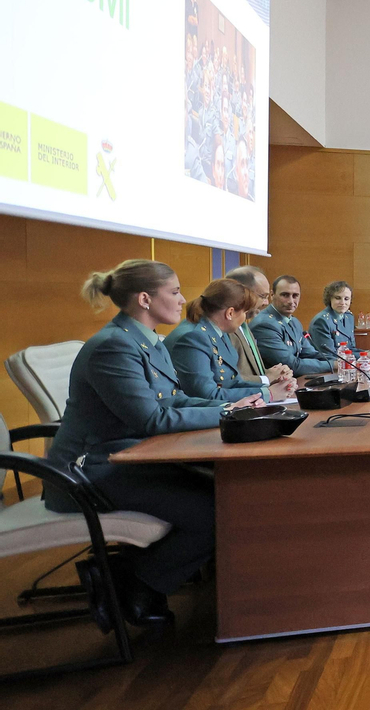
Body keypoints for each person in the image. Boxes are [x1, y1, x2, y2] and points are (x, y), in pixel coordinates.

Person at [44, 261, 259, 631]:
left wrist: (230, 407)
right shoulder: (113, 347)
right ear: (145, 298)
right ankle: (131, 583)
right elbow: (152, 420)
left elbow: (172, 401)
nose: (182, 300)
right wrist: (228, 415)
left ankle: (129, 576)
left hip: (131, 458)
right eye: (174, 292)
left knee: (227, 493)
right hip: (90, 473)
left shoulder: (147, 341)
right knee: (215, 511)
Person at [167, 279, 298, 404]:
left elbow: (233, 382)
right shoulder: (193, 337)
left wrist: (270, 385)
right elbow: (207, 395)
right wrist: (268, 394)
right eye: (244, 312)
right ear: (230, 313)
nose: (245, 318)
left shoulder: (219, 333)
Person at [249, 275, 335, 377]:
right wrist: (333, 365)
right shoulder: (264, 324)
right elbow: (291, 365)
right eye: (285, 295)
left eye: (295, 296)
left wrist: (342, 361)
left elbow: (310, 353)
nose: (291, 301)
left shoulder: (294, 322)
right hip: (274, 387)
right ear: (272, 295)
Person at [223, 265, 292, 386]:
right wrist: (267, 379)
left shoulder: (244, 326)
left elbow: (252, 372)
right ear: (241, 292)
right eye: (262, 296)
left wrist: (275, 375)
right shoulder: (224, 328)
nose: (266, 303)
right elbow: (227, 379)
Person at [309, 280, 356, 360]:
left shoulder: (349, 317)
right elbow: (329, 355)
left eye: (346, 299)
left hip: (345, 364)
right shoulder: (322, 321)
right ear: (329, 299)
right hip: (329, 367)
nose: (343, 302)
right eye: (338, 298)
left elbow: (351, 349)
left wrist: (368, 353)